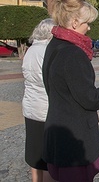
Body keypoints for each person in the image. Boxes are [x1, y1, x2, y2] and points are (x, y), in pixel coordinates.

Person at [41, 0, 99, 182]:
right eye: (87, 23)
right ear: (75, 22)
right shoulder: (73, 53)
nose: (89, 28)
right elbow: (89, 98)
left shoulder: (54, 44)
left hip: (58, 131)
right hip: (74, 139)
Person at [22, 18, 56, 182]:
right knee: (48, 157)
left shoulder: (31, 49)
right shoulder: (47, 51)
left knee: (34, 154)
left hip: (30, 107)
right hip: (46, 109)